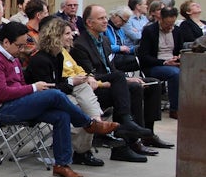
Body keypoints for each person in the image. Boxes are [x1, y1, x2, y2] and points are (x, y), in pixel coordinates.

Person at [0, 22, 119, 177]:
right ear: (5, 42)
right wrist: (33, 88)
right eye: (19, 45)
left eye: (24, 45)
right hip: (2, 109)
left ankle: (62, 165)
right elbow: (3, 93)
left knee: (61, 116)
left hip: (18, 103)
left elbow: (20, 85)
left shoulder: (13, 59)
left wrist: (31, 91)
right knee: (55, 95)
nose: (22, 49)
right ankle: (89, 124)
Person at [27, 17, 151, 166]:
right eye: (67, 33)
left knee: (88, 87)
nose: (72, 36)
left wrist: (81, 80)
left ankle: (97, 123)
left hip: (63, 92)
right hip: (43, 99)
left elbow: (62, 83)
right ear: (55, 36)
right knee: (79, 108)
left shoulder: (59, 55)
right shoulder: (40, 60)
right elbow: (49, 90)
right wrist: (73, 82)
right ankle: (87, 143)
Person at [71, 5, 173, 155]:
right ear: (89, 23)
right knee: (133, 88)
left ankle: (147, 133)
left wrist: (125, 79)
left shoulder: (104, 40)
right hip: (96, 89)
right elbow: (89, 75)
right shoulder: (80, 45)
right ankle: (130, 138)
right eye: (101, 18)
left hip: (114, 84)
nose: (106, 21)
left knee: (153, 83)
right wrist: (123, 80)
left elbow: (111, 69)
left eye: (105, 17)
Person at [137, 6, 181, 119]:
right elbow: (143, 56)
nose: (170, 27)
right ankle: (175, 109)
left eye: (172, 23)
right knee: (176, 74)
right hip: (154, 65)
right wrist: (165, 62)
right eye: (167, 24)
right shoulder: (149, 31)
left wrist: (179, 57)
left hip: (173, 62)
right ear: (160, 19)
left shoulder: (176, 30)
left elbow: (180, 49)